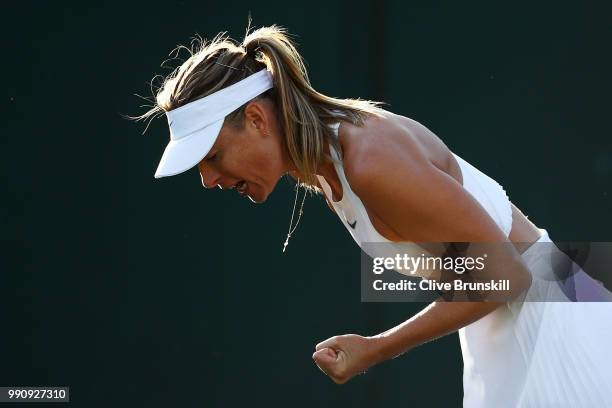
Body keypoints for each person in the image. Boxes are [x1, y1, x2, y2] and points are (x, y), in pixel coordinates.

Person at [133, 23, 612, 407]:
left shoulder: (368, 160)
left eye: (213, 156)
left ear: (257, 119)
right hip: (535, 315)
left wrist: (376, 347)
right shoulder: (324, 162)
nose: (208, 180)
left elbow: (508, 274)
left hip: (549, 329)